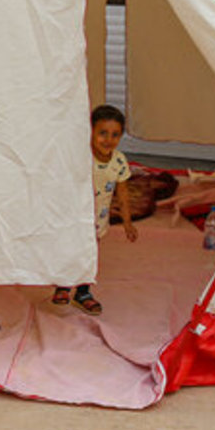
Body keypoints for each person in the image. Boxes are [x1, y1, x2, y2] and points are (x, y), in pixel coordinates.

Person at [53, 104, 138, 316]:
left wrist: (127, 222)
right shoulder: (82, 158)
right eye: (102, 133)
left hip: (98, 220)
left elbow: (123, 194)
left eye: (115, 134)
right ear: (90, 131)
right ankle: (63, 285)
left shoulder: (119, 161)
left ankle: (82, 292)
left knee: (90, 254)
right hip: (75, 217)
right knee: (70, 249)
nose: (108, 139)